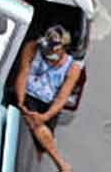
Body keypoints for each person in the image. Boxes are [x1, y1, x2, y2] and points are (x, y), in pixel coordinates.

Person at [13, 26, 82, 172]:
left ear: (63, 48)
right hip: (28, 95)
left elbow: (61, 98)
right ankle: (61, 164)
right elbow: (24, 73)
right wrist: (20, 102)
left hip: (47, 104)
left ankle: (37, 164)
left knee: (41, 144)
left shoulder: (72, 68)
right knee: (36, 127)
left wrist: (45, 116)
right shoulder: (32, 47)